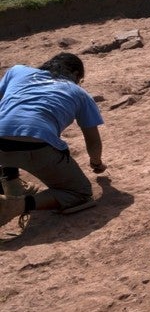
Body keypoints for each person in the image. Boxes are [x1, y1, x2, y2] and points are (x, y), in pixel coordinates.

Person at [0, 53, 106, 228]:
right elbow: (93, 141)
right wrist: (97, 163)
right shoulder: (79, 93)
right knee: (80, 193)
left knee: (7, 127)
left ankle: (11, 184)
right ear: (75, 74)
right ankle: (16, 205)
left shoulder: (17, 71)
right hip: (36, 146)